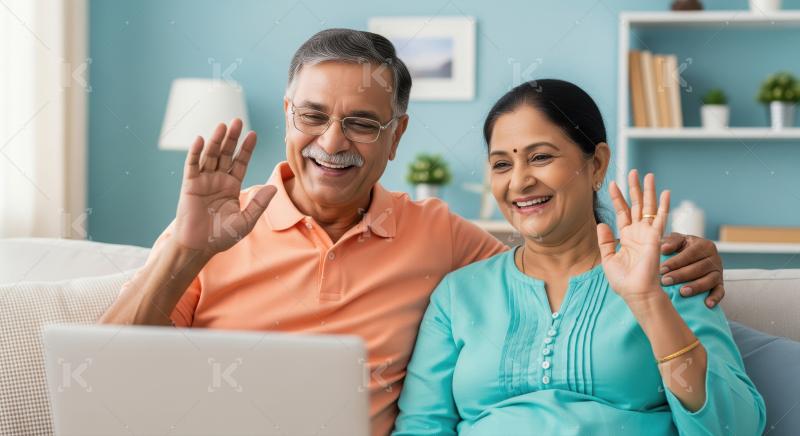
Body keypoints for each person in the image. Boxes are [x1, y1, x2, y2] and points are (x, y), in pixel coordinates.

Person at [99, 30, 728, 436]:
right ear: (289, 116)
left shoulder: (440, 236)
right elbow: (102, 381)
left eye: (363, 124)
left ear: (397, 137)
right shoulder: (207, 229)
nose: (332, 142)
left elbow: (545, 261)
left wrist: (687, 255)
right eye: (312, 116)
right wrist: (185, 251)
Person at [392, 79, 766, 435]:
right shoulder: (458, 295)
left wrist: (648, 302)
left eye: (540, 157)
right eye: (502, 164)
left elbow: (735, 427)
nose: (519, 181)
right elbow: (422, 428)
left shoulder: (669, 273)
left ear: (597, 164)